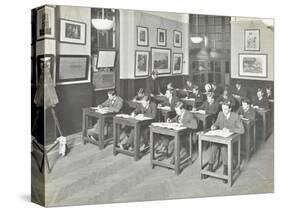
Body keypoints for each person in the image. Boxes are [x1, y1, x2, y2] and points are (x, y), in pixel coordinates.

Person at [203, 100, 244, 184]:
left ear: (230, 109)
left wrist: (229, 130)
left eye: (226, 109)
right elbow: (217, 123)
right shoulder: (220, 114)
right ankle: (210, 166)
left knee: (224, 147)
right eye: (222, 109)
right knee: (214, 145)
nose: (224, 111)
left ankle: (226, 169)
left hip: (231, 139)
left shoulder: (235, 116)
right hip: (221, 136)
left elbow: (242, 130)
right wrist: (214, 126)